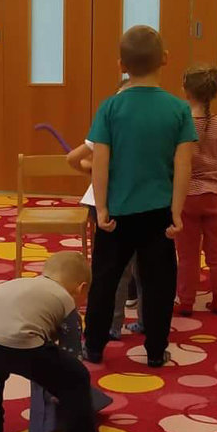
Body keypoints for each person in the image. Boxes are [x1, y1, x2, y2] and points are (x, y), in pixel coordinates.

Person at [82, 26, 197, 367]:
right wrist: (177, 211)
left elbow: (100, 163)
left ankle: (94, 346)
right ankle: (155, 350)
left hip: (117, 213)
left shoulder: (110, 107)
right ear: (165, 59)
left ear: (121, 64)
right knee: (159, 282)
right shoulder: (178, 110)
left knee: (105, 279)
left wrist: (102, 207)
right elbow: (183, 166)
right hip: (159, 212)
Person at [0, 249, 127, 432]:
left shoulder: (17, 283)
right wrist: (59, 389)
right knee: (75, 378)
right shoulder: (66, 300)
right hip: (20, 342)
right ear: (81, 288)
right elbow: (72, 352)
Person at [177, 64, 217, 316]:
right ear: (216, 92)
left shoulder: (180, 124)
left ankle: (186, 302)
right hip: (215, 196)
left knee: (187, 254)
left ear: (186, 91)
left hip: (186, 197)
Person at [68, 135, 143, 340]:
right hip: (146, 201)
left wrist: (93, 169)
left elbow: (73, 158)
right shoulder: (155, 127)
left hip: (108, 203)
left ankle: (113, 325)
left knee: (115, 269)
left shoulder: (108, 127)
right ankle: (146, 321)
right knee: (144, 266)